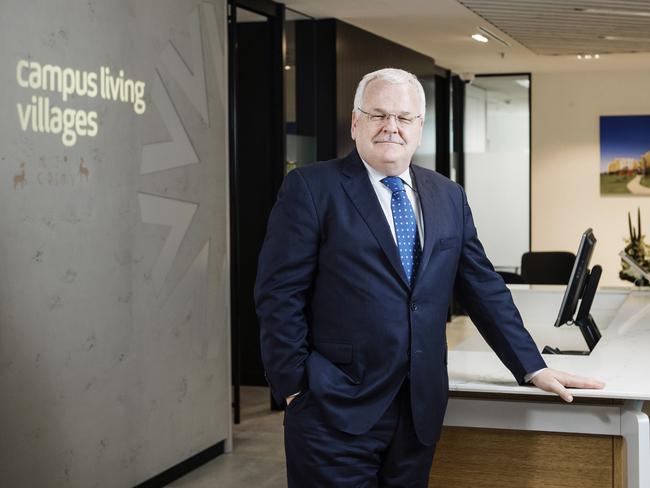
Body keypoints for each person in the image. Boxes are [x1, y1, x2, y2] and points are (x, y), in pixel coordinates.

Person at [254, 68, 604, 487]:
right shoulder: (311, 188)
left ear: (419, 127)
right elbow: (278, 295)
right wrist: (294, 386)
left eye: (404, 118)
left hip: (418, 410)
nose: (391, 128)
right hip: (332, 410)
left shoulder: (447, 195)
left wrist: (531, 366)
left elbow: (482, 287)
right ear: (355, 122)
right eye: (378, 115)